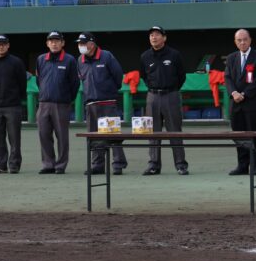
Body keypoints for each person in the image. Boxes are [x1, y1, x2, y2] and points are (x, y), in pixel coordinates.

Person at [139, 26, 188, 176]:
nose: (154, 37)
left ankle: (180, 165)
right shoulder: (145, 56)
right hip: (152, 96)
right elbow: (144, 76)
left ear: (164, 38)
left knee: (175, 131)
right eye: (151, 35)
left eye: (157, 35)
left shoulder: (174, 54)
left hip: (171, 95)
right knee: (153, 132)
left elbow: (181, 76)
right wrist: (154, 89)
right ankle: (154, 165)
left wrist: (171, 89)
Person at [77, 33, 127, 176]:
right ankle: (97, 165)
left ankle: (118, 164)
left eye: (83, 43)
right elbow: (81, 78)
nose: (81, 46)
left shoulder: (106, 56)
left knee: (113, 134)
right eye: (79, 43)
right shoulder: (80, 60)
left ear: (92, 44)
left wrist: (109, 91)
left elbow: (118, 76)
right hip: (91, 104)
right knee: (94, 137)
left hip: (108, 102)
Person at [35, 31, 79, 174]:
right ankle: (48, 164)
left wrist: (67, 99)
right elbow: (39, 80)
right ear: (47, 43)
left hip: (61, 104)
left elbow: (75, 83)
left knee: (62, 136)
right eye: (51, 41)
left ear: (62, 43)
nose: (54, 43)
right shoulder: (41, 59)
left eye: (57, 41)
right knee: (43, 134)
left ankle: (60, 165)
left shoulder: (70, 60)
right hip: (43, 104)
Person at [224, 28, 256, 176]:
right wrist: (234, 93)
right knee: (239, 135)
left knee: (254, 135)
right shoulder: (231, 58)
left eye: (245, 39)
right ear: (235, 42)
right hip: (236, 104)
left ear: (250, 40)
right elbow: (227, 77)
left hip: (252, 103)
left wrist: (244, 94)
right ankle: (242, 165)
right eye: (239, 40)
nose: (242, 42)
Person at [0, 35, 27, 174]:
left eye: (3, 44)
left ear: (8, 45)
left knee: (14, 137)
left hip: (12, 106)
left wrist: (16, 98)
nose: (1, 46)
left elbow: (22, 83)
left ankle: (14, 165)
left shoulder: (16, 62)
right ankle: (1, 165)